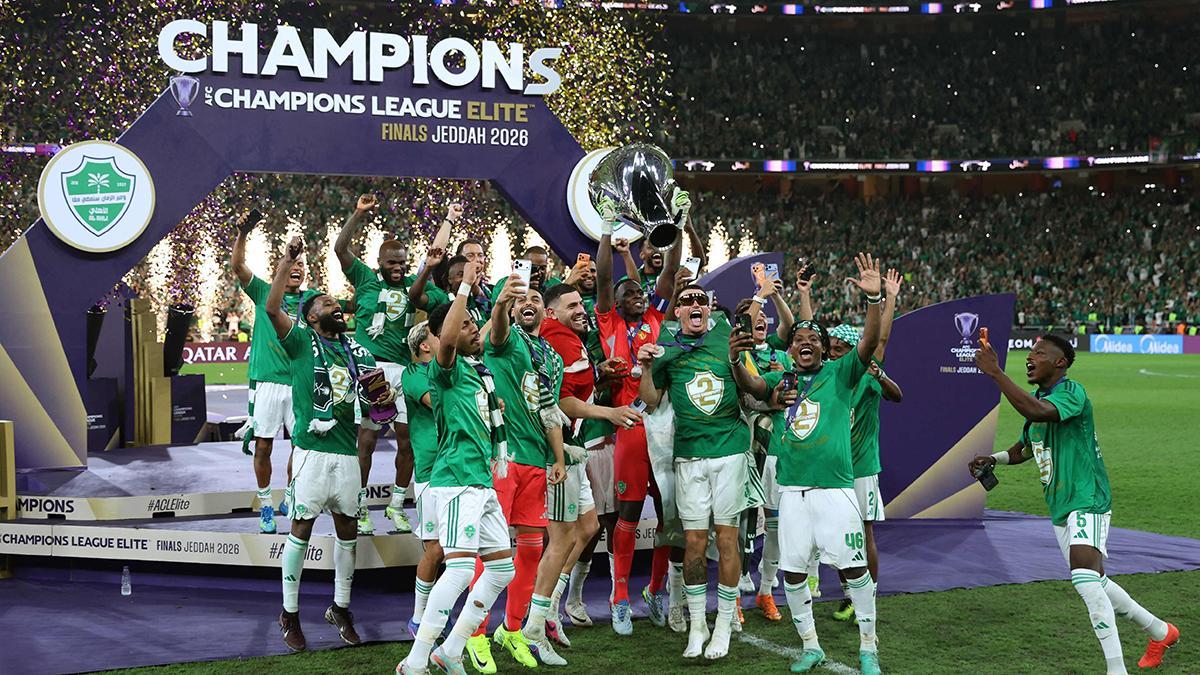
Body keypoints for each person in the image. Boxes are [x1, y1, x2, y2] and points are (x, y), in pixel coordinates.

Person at [972, 335, 1179, 673]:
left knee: (1084, 579)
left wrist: (996, 373)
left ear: (1060, 363)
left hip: (1088, 497)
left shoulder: (1071, 394)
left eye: (1039, 352)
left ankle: (1116, 670)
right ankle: (1160, 631)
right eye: (1030, 351)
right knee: (1096, 580)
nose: (1030, 356)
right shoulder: (1040, 398)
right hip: (1061, 504)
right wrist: (993, 458)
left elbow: (1036, 411)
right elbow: (1025, 447)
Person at [729, 252, 886, 675]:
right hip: (793, 491)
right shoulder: (784, 379)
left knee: (854, 570)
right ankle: (811, 646)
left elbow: (869, 344)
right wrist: (735, 363)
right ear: (792, 347)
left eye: (814, 339)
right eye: (799, 339)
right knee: (794, 574)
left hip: (835, 489)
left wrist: (875, 300)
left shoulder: (841, 373)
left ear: (822, 347)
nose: (805, 343)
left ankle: (869, 648)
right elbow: (755, 384)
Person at [267, 236, 388, 652]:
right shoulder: (300, 341)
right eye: (326, 303)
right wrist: (287, 262)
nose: (336, 305)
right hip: (312, 454)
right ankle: (289, 612)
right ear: (310, 316)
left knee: (348, 532)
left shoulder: (357, 350)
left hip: (347, 454)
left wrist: (382, 399)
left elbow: (380, 406)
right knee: (300, 529)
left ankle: (340, 607)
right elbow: (271, 308)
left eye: (338, 302)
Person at [397, 261, 516, 675]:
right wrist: (463, 287)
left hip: (481, 480)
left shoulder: (478, 374)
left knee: (502, 568)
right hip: (456, 481)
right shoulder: (443, 371)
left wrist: (498, 302)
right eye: (465, 325)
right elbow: (448, 338)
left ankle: (450, 651)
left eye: (473, 324)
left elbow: (477, 335)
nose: (472, 329)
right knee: (462, 567)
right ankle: (414, 661)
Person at [637, 282, 763, 661]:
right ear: (677, 312)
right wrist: (645, 368)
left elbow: (752, 385)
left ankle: (723, 623)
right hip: (689, 454)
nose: (694, 304)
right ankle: (697, 625)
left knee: (726, 539)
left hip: (729, 452)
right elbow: (652, 399)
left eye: (700, 300)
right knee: (692, 542)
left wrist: (739, 358)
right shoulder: (666, 346)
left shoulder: (727, 334)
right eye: (685, 301)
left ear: (709, 309)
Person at [592, 190, 687, 635]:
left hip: (662, 422)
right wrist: (608, 230)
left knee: (669, 513)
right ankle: (619, 598)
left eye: (637, 291)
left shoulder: (656, 314)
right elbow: (604, 278)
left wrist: (680, 224)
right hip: (629, 424)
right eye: (625, 291)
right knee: (629, 515)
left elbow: (669, 269)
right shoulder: (608, 319)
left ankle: (654, 589)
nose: (633, 293)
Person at [533, 282, 642, 659]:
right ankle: (537, 621)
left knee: (589, 527)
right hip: (556, 450)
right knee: (560, 538)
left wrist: (597, 372)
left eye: (582, 303)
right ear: (552, 313)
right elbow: (563, 400)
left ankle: (549, 611)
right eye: (572, 305)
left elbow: (571, 388)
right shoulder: (560, 338)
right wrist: (608, 412)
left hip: (568, 448)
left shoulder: (564, 338)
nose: (582, 309)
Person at [468, 278, 568, 671]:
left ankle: (511, 630)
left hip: (536, 459)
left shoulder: (551, 356)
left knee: (530, 549)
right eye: (521, 299)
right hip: (503, 458)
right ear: (511, 308)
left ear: (546, 311)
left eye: (537, 299)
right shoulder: (507, 340)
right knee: (492, 551)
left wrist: (557, 458)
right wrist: (500, 306)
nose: (529, 303)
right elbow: (495, 329)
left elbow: (549, 410)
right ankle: (475, 634)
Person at [333, 194, 425, 534]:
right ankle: (359, 506)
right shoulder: (366, 281)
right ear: (379, 262)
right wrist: (357, 214)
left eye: (403, 262)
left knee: (408, 441)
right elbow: (340, 249)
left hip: (402, 370)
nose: (398, 267)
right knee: (367, 441)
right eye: (392, 263)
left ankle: (397, 505)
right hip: (370, 368)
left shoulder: (416, 289)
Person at [821, 268, 904, 623]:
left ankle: (867, 596)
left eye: (843, 347)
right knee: (839, 536)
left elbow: (881, 341)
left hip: (862, 468)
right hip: (833, 469)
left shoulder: (867, 373)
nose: (837, 352)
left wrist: (890, 298)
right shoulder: (829, 376)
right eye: (833, 348)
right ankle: (849, 595)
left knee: (864, 531)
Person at [230, 211, 318, 534]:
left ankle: (291, 495)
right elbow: (238, 267)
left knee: (303, 445)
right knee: (263, 446)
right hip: (267, 382)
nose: (297, 269)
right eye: (291, 265)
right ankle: (266, 504)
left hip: (298, 382)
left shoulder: (313, 301)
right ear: (281, 268)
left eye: (301, 266)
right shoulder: (265, 290)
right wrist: (242, 233)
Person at [730, 291, 794, 622]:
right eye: (751, 315)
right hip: (745, 447)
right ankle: (735, 597)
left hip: (776, 449)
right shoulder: (735, 359)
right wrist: (770, 399)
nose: (759, 319)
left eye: (762, 316)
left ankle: (766, 590)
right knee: (742, 525)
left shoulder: (780, 356)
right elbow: (745, 399)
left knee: (776, 525)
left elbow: (789, 396)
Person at [401, 321, 444, 639]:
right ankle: (419, 618)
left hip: (458, 469)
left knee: (458, 551)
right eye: (437, 336)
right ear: (425, 346)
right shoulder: (413, 374)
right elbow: (438, 402)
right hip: (430, 473)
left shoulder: (451, 368)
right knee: (436, 550)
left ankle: (439, 614)